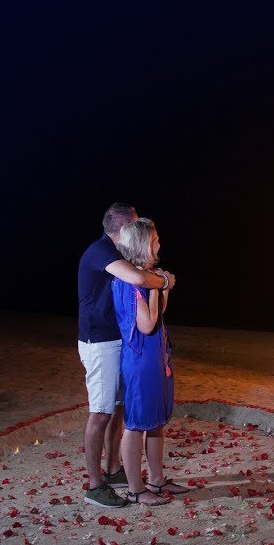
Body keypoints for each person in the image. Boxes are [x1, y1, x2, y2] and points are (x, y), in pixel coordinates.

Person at [78, 203, 175, 508]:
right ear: (125, 231)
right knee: (101, 412)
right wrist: (164, 282)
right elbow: (138, 280)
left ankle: (114, 470)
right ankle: (95, 486)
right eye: (136, 225)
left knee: (120, 409)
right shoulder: (101, 251)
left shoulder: (117, 253)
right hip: (100, 342)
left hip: (119, 340)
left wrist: (157, 281)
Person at [111, 217, 190, 506]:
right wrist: (158, 286)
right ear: (143, 244)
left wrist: (161, 286)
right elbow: (146, 325)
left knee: (155, 422)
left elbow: (159, 313)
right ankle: (135, 488)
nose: (159, 244)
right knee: (135, 424)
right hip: (140, 361)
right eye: (154, 240)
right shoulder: (129, 281)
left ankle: (156, 479)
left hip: (155, 357)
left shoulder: (144, 277)